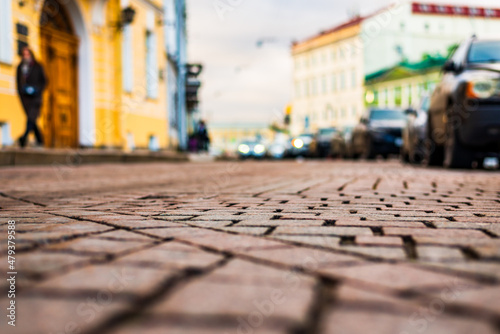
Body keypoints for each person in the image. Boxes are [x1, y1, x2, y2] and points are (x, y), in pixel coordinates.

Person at [16, 47, 47, 148]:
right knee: (32, 119)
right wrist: (21, 93)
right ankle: (40, 140)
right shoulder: (20, 67)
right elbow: (18, 83)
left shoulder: (38, 66)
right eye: (24, 55)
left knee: (31, 117)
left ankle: (24, 138)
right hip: (26, 98)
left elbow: (45, 81)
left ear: (31, 54)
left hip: (36, 98)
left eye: (27, 54)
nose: (25, 56)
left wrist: (38, 90)